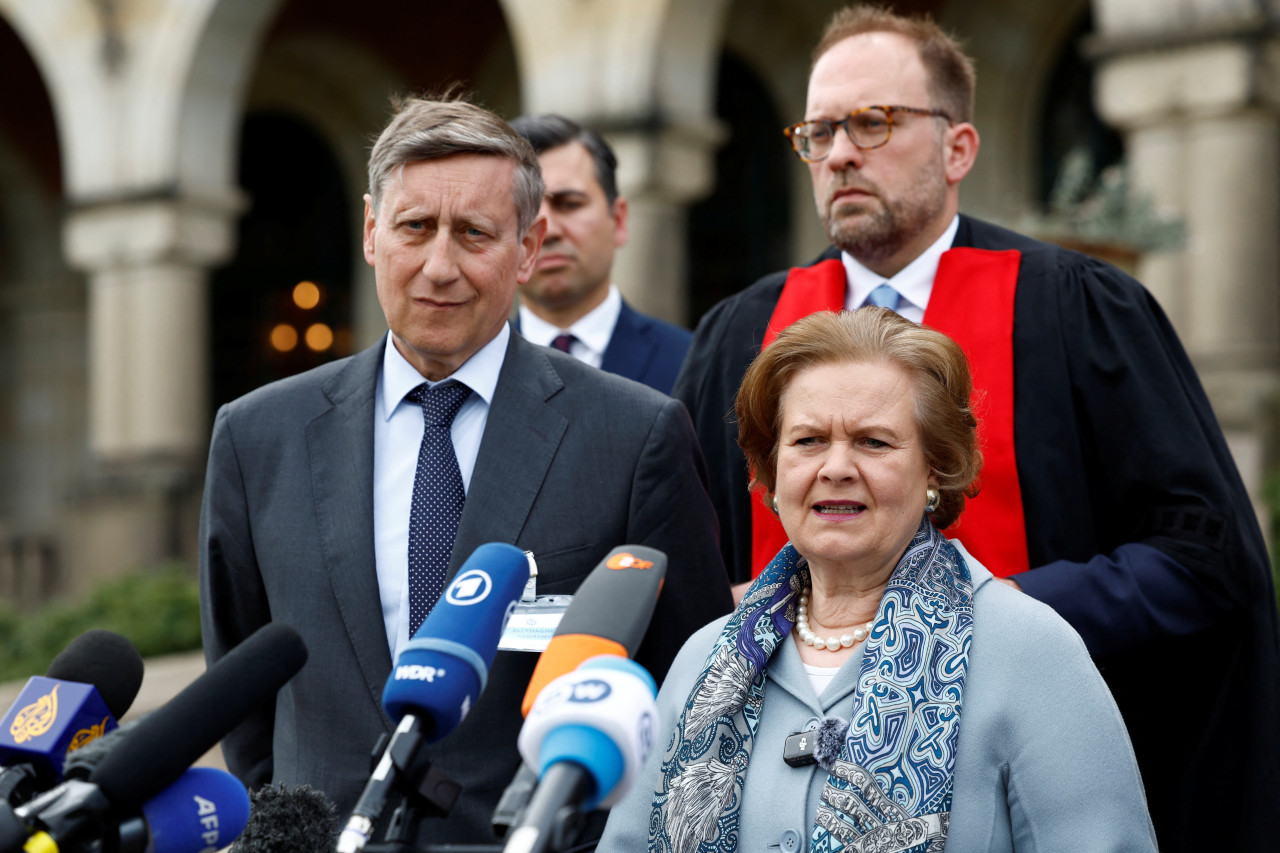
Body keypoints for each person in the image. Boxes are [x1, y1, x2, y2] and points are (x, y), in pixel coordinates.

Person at [673, 7, 1280, 849]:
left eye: (873, 122)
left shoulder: (1074, 312)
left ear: (959, 149)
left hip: (1021, 780)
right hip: (773, 782)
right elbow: (682, 563)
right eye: (817, 132)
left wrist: (991, 617)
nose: (840, 152)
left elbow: (1201, 561)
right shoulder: (741, 335)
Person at [199, 96, 732, 846]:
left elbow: (691, 691)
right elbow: (243, 688)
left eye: (474, 233)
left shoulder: (634, 435)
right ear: (371, 232)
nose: (439, 266)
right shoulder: (258, 438)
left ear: (525, 245)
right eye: (415, 226)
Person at [600, 308, 1156, 852]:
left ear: (935, 468)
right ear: (771, 471)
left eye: (873, 442)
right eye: (808, 440)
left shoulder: (1032, 649)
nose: (836, 467)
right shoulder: (705, 657)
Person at [509, 113, 691, 394]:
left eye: (569, 204)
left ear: (618, 220)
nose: (547, 230)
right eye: (525, 211)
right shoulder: (469, 367)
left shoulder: (691, 365)